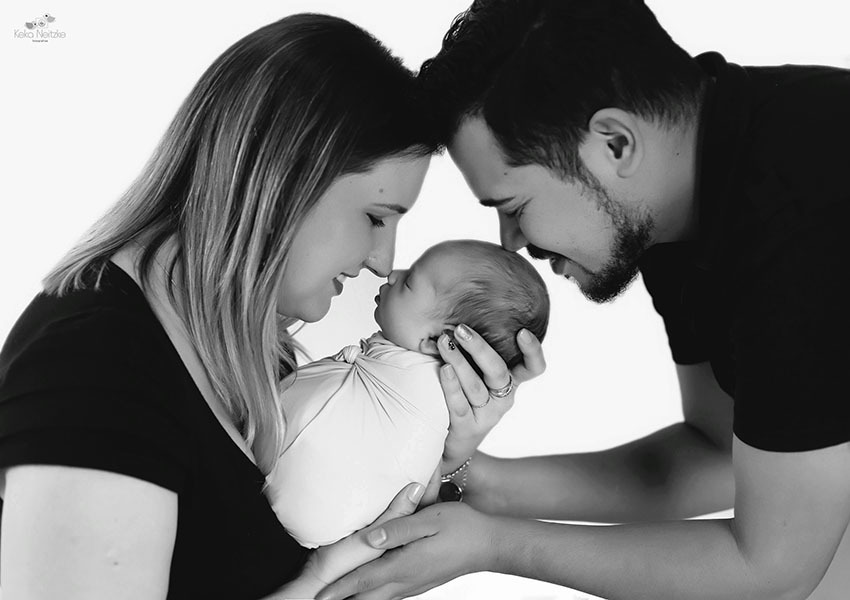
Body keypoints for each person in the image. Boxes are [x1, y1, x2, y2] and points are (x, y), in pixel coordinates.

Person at [314, 1, 850, 600]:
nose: (511, 244)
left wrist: (492, 545)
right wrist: (466, 475)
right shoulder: (679, 201)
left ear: (615, 143)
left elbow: (773, 568)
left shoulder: (802, 219)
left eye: (513, 207)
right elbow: (716, 452)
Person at [0, 13, 547, 599]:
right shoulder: (94, 369)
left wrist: (447, 449)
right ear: (284, 181)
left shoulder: (259, 353)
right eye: (375, 218)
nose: (383, 262)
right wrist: (316, 585)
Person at [268, 239, 549, 551]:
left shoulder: (411, 379)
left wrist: (451, 460)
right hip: (317, 528)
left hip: (280, 480)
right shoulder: (430, 393)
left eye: (410, 281)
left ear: (437, 340)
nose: (392, 274)